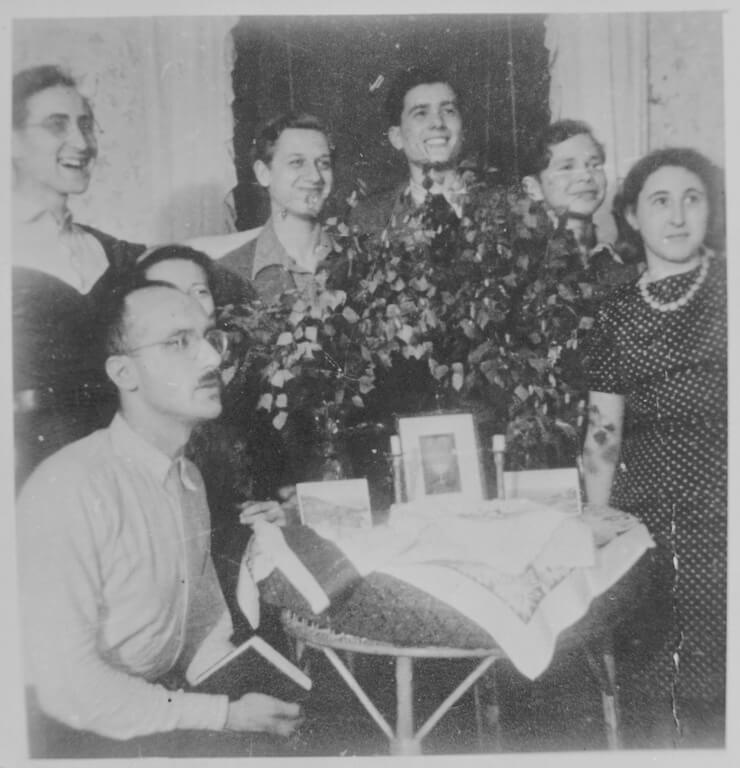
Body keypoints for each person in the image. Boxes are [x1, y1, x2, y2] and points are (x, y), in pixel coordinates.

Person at [17, 279, 303, 758]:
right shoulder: (69, 488)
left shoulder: (188, 478)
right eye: (178, 342)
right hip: (63, 737)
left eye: (211, 338)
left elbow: (203, 625)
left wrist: (250, 693)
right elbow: (68, 688)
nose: (212, 359)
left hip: (154, 713)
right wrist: (224, 715)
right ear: (124, 372)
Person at [581, 147, 726, 747]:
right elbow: (603, 430)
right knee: (653, 680)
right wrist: (596, 513)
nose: (678, 216)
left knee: (716, 679)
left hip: (723, 513)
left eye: (692, 199)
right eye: (660, 201)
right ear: (633, 216)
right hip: (648, 523)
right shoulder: (614, 313)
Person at [12, 64, 145, 488]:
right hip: (27, 473)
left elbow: (188, 253)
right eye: (57, 125)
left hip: (116, 465)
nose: (82, 143)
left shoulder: (106, 251)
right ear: (11, 140)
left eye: (86, 125)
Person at [220, 112, 339, 304]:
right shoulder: (228, 275)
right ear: (263, 173)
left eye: (324, 163)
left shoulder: (360, 261)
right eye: (297, 162)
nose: (315, 176)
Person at [350, 65, 468, 242]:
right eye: (421, 113)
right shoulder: (370, 217)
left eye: (448, 111)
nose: (438, 122)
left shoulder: (506, 206)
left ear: (463, 129)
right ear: (397, 137)